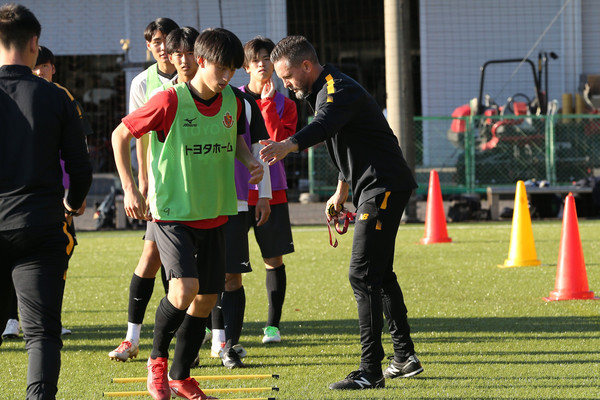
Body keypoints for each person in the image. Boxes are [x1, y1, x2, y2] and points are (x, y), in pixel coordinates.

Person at [260, 35, 423, 390]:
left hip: (383, 187)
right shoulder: (318, 91)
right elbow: (345, 139)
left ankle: (370, 370)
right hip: (376, 186)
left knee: (362, 276)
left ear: (306, 66)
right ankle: (404, 356)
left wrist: (287, 145)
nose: (284, 84)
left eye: (287, 76)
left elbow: (323, 128)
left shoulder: (334, 88)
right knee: (379, 274)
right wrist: (341, 191)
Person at [112, 27, 263, 400]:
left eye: (233, 70)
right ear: (201, 61)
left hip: (215, 211)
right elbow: (120, 135)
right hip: (173, 214)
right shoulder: (169, 100)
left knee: (208, 298)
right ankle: (157, 362)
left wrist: (251, 161)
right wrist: (131, 187)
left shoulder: (232, 100)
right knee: (184, 289)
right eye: (222, 69)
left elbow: (237, 141)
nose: (227, 77)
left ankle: (181, 376)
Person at [0, 3, 93, 399]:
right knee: (40, 334)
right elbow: (81, 167)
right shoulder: (57, 97)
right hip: (40, 225)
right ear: (35, 43)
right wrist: (72, 203)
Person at [209, 36, 298, 364]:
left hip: (270, 191)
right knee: (228, 268)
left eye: (266, 59)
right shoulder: (230, 97)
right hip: (233, 195)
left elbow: (274, 142)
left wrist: (269, 104)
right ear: (244, 67)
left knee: (273, 259)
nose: (262, 64)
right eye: (255, 59)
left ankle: (272, 326)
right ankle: (220, 335)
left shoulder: (286, 103)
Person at [108, 17, 180, 363]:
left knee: (189, 266)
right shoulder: (142, 82)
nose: (162, 46)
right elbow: (135, 133)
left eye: (167, 39)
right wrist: (141, 182)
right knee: (152, 258)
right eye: (155, 41)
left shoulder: (194, 74)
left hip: (195, 184)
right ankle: (132, 337)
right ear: (148, 46)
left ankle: (201, 337)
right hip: (163, 186)